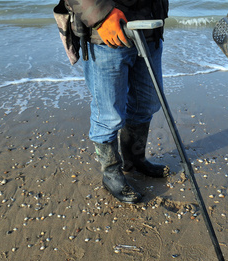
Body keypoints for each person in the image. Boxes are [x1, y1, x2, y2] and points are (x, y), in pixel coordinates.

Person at [55, 0, 170, 204]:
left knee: (147, 104)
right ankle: (111, 174)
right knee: (108, 115)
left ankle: (135, 161)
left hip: (150, 28)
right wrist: (100, 16)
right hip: (106, 35)